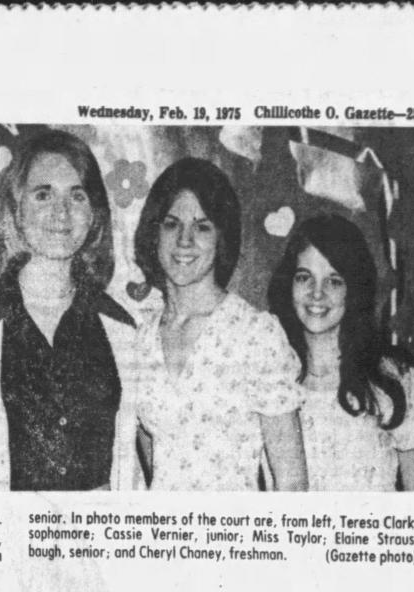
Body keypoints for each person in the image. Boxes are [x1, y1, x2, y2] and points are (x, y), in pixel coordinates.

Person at [0, 129, 137, 492]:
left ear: (94, 214)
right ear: (16, 208)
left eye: (77, 195)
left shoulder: (124, 328)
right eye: (43, 194)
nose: (61, 212)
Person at [116, 157, 308, 491]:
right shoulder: (140, 340)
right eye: (172, 224)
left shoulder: (253, 334)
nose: (185, 240)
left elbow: (291, 483)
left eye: (202, 226)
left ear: (221, 237)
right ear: (154, 232)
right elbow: (154, 467)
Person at [268, 214, 414, 491]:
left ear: (354, 288)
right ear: (289, 284)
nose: (316, 293)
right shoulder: (268, 376)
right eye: (304, 277)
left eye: (334, 281)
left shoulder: (399, 380)